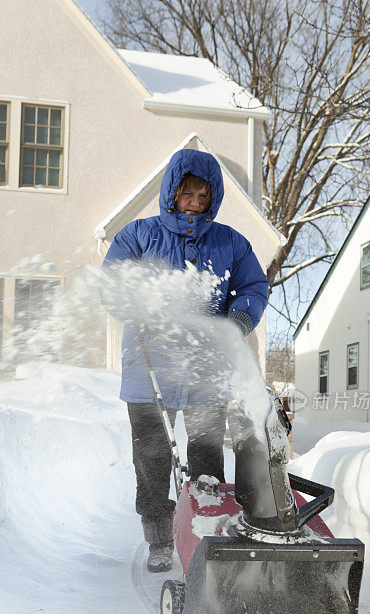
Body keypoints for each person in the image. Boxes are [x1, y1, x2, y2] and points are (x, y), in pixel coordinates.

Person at [101, 148, 269, 572]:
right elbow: (113, 284)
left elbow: (253, 284)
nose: (194, 201)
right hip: (149, 370)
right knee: (152, 459)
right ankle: (158, 538)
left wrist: (239, 318)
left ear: (213, 196)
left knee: (207, 457)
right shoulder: (137, 235)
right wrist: (136, 304)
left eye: (202, 194)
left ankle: (204, 535)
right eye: (186, 192)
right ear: (171, 192)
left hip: (205, 373)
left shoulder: (229, 241)